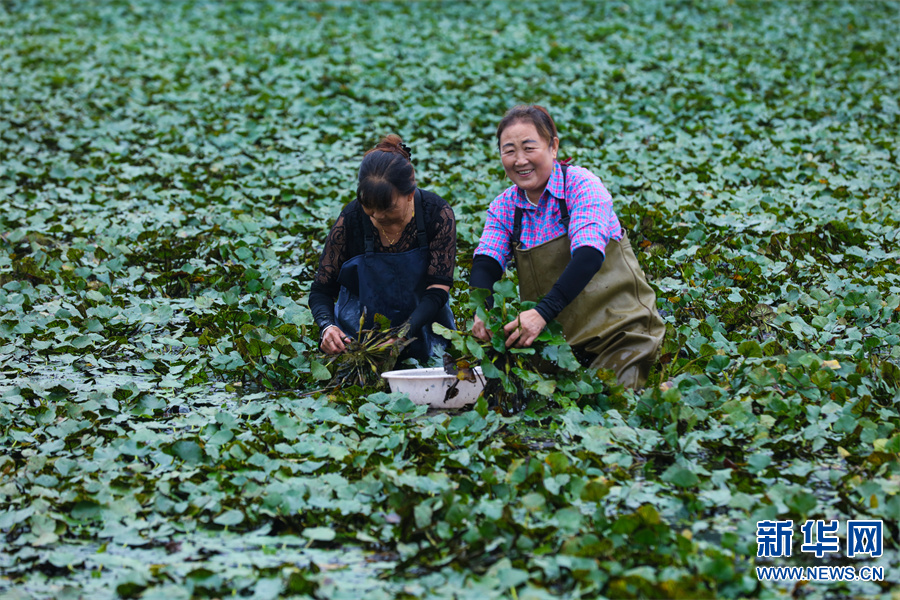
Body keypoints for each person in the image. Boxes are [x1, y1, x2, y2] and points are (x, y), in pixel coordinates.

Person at [469, 105, 664, 389]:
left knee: (606, 400)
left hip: (619, 331)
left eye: (529, 147)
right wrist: (481, 308)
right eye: (509, 151)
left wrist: (541, 314)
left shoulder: (582, 186)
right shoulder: (505, 206)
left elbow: (588, 257)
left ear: (553, 147)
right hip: (554, 342)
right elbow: (487, 261)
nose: (519, 160)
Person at [309, 134, 456, 363]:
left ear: (409, 194)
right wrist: (327, 327)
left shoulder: (436, 213)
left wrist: (403, 333)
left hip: (427, 335)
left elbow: (438, 289)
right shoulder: (351, 219)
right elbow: (321, 291)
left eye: (387, 208)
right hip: (359, 343)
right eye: (369, 207)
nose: (377, 216)